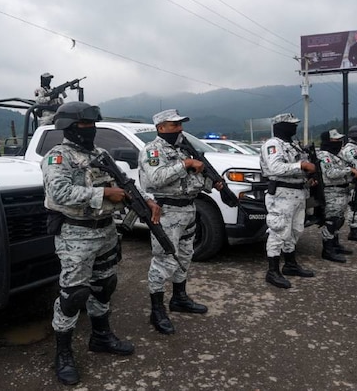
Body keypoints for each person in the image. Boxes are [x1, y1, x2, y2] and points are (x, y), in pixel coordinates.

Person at [41, 101, 159, 386]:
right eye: (84, 125)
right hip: (76, 236)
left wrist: (144, 199)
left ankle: (101, 336)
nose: (90, 129)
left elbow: (124, 182)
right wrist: (104, 193)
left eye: (92, 124)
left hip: (106, 232)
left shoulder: (100, 154)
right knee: (74, 295)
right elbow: (58, 193)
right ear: (69, 127)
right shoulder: (58, 156)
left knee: (104, 287)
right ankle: (64, 352)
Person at [137, 109, 223, 335]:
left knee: (185, 256)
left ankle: (180, 297)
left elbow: (194, 181)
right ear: (161, 128)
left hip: (189, 209)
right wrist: (185, 164)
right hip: (166, 211)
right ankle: (157, 310)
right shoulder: (152, 150)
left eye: (180, 125)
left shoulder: (183, 149)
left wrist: (209, 180)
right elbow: (156, 178)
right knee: (163, 260)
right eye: (174, 125)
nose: (180, 129)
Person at [260, 113, 317, 289]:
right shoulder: (273, 144)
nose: (294, 128)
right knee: (278, 231)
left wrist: (307, 177)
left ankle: (290, 264)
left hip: (298, 193)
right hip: (281, 194)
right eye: (290, 125)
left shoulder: (292, 145)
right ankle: (272, 271)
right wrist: (300, 166)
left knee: (295, 230)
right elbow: (274, 167)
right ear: (280, 126)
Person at [318, 129, 357, 262]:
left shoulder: (336, 155)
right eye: (335, 140)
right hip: (331, 192)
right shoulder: (324, 155)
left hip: (342, 191)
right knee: (331, 221)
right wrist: (350, 170)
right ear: (328, 141)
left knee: (339, 220)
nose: (339, 142)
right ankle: (327, 249)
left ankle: (335, 245)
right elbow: (330, 173)